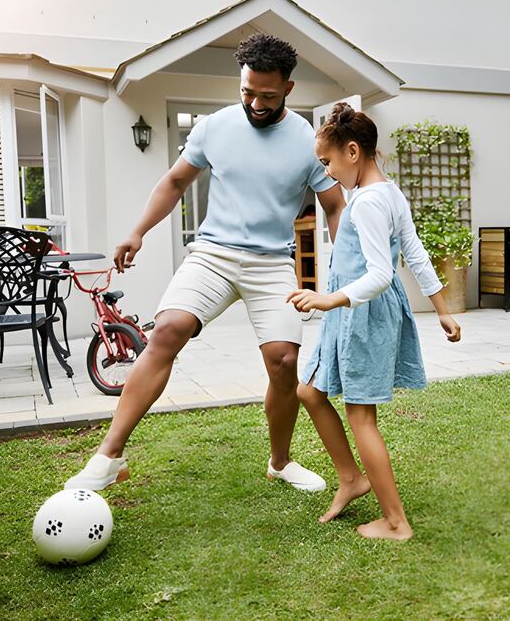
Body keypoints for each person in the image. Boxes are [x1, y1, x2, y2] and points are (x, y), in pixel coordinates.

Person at [63, 33, 346, 492]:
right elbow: (174, 182)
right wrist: (138, 231)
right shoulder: (215, 126)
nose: (255, 102)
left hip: (271, 262)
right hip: (213, 254)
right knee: (168, 329)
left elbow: (334, 206)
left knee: (284, 360)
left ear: (288, 89)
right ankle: (109, 456)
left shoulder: (307, 142)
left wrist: (341, 272)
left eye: (267, 95)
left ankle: (280, 461)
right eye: (247, 91)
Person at [286, 103, 462, 541]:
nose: (326, 173)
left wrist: (328, 300)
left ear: (352, 151)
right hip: (352, 310)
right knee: (308, 389)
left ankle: (396, 522)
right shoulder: (388, 191)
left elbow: (382, 274)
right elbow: (416, 254)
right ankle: (351, 478)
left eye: (326, 163)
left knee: (362, 417)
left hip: (360, 311)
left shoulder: (366, 202)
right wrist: (442, 309)